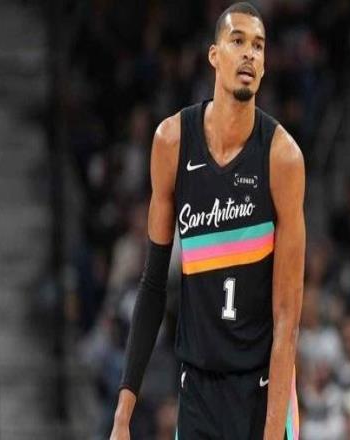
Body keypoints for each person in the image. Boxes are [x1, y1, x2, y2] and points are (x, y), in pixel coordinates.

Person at [110, 2, 306, 439]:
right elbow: (153, 284)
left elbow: (287, 315)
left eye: (259, 46)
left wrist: (272, 432)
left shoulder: (282, 158)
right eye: (238, 41)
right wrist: (124, 412)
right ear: (214, 55)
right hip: (197, 390)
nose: (250, 53)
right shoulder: (172, 142)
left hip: (261, 388)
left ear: (265, 65)